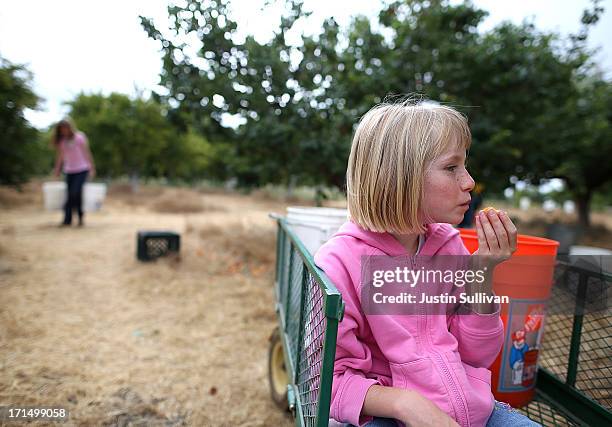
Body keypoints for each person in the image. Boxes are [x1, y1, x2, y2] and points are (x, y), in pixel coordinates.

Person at [314, 100, 539, 426]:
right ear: (399, 177)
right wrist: (404, 403)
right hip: (388, 417)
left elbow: (477, 355)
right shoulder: (341, 263)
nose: (469, 182)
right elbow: (325, 381)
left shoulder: (450, 245)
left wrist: (482, 273)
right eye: (452, 168)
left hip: (471, 410)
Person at [52, 118, 96, 227]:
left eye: (65, 128)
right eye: (62, 129)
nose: (64, 131)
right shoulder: (62, 141)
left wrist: (92, 167)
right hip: (69, 170)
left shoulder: (79, 137)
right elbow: (61, 156)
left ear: (70, 128)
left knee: (76, 193)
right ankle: (67, 219)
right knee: (69, 194)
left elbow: (86, 152)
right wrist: (57, 169)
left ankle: (80, 217)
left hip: (82, 169)